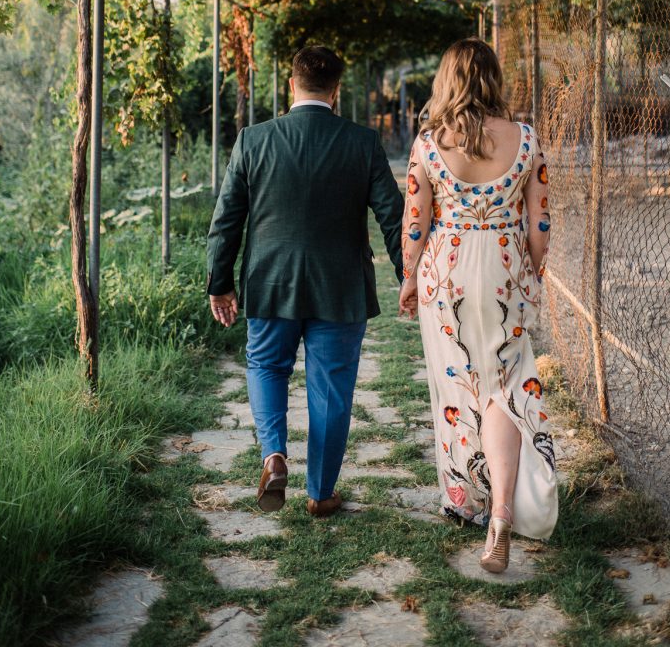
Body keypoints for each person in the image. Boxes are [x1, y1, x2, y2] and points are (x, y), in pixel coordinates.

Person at [206, 45, 404, 518]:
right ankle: (320, 493)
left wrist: (220, 282)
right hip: (340, 286)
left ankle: (274, 455)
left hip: (270, 281)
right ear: (336, 91)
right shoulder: (362, 142)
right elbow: (394, 217)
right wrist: (409, 276)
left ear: (291, 85)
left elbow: (226, 219)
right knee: (332, 387)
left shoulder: (253, 140)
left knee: (266, 365)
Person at [399, 38, 558, 571]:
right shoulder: (526, 138)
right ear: (493, 78)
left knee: (458, 383)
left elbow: (415, 223)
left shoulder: (428, 144)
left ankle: (467, 497)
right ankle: (503, 514)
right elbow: (540, 222)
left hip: (446, 275)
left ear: (447, 80)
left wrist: (408, 278)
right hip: (505, 270)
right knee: (503, 386)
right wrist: (531, 273)